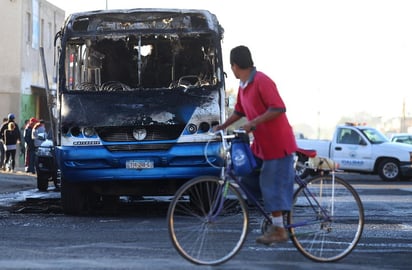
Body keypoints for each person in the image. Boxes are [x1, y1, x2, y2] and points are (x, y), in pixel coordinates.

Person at [214, 45, 297, 245]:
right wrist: (222, 126)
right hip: (262, 146)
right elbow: (240, 112)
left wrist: (253, 123)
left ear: (234, 65)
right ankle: (274, 214)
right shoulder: (244, 86)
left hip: (278, 144)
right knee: (246, 174)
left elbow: (278, 108)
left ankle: (279, 228)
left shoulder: (261, 81)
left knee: (269, 182)